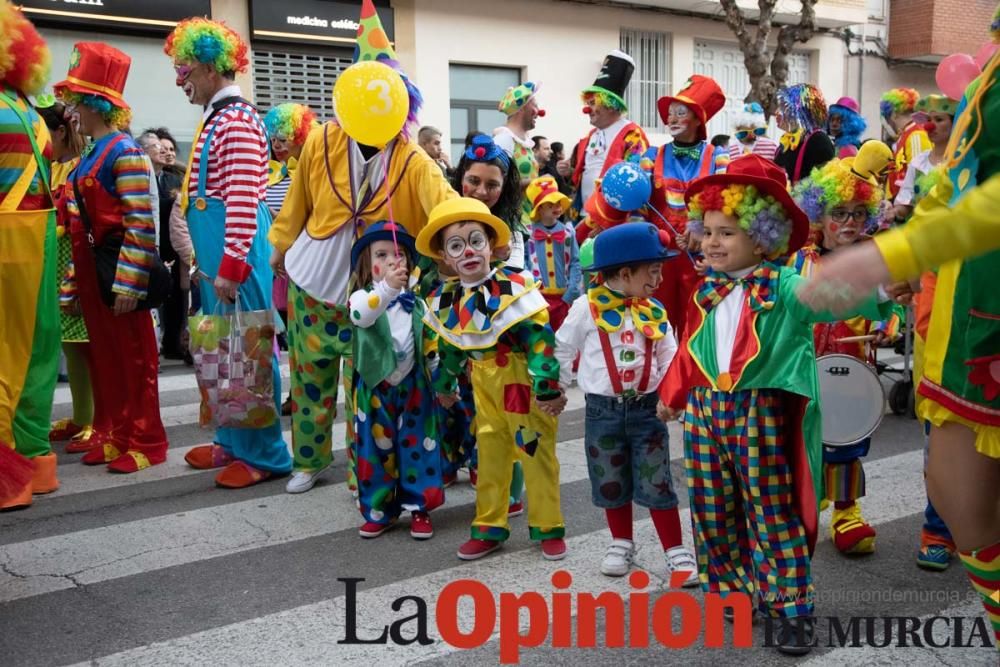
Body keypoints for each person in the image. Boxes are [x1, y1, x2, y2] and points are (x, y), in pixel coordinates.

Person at [799, 18, 1000, 642]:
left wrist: (893, 254)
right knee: (957, 487)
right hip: (969, 308)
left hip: (980, 309)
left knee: (961, 489)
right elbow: (965, 181)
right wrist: (910, 254)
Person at [658, 155, 893, 654]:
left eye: (728, 233)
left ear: (763, 236)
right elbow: (692, 350)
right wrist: (672, 394)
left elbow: (832, 297)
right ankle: (733, 592)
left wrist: (880, 288)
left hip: (761, 413)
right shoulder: (706, 291)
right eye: (709, 231)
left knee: (772, 512)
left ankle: (790, 607)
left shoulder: (785, 285)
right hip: (705, 414)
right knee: (712, 510)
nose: (712, 242)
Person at [268, 0, 456, 494]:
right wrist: (280, 248)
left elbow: (444, 205)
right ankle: (307, 461)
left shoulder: (412, 158)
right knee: (310, 381)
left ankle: (364, 469)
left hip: (374, 292)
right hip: (313, 282)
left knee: (368, 384)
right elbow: (297, 203)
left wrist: (466, 241)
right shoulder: (322, 141)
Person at [165, 18, 291, 488]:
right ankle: (233, 441)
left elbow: (240, 198)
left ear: (208, 65)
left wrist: (233, 266)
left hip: (234, 252)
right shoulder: (219, 117)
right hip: (217, 252)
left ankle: (265, 454)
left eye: (185, 70)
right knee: (224, 346)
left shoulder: (236, 120)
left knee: (249, 348)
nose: (181, 81)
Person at [419, 197, 567, 562]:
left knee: (535, 453)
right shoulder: (448, 299)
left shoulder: (514, 286)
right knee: (490, 457)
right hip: (482, 385)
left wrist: (545, 383)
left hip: (519, 381)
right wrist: (445, 383)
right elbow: (455, 345)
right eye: (456, 245)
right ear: (445, 257)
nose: (468, 251)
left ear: (490, 245)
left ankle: (548, 527)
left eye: (475, 240)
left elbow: (539, 338)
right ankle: (489, 527)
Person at [555, 222, 698, 585]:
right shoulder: (585, 308)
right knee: (610, 481)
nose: (660, 277)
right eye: (653, 270)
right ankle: (621, 542)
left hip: (647, 411)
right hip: (602, 412)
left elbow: (670, 356)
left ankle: (675, 550)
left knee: (658, 481)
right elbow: (562, 349)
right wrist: (554, 389)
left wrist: (672, 396)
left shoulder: (655, 310)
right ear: (624, 273)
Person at [55, 42, 169, 475]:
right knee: (107, 358)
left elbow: (141, 225)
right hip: (92, 270)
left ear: (95, 105)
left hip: (117, 268)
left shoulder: (125, 153)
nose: (71, 112)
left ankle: (147, 439)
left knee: (137, 360)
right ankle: (118, 432)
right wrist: (73, 282)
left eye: (77, 102)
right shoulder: (92, 154)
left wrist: (128, 282)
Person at [790, 142, 900, 556]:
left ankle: (846, 511)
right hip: (806, 371)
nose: (850, 222)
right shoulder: (801, 261)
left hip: (852, 369)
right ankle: (809, 502)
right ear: (820, 216)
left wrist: (886, 328)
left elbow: (891, 308)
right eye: (840, 213)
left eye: (858, 212)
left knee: (846, 443)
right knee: (807, 442)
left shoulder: (873, 258)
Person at [0, 3, 61, 509]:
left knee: (5, 351)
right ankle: (35, 462)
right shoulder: (30, 112)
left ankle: (7, 478)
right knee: (39, 349)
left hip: (8, 234)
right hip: (41, 230)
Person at [348, 222, 444, 539]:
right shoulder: (362, 298)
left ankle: (419, 507)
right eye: (382, 254)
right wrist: (386, 289)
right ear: (366, 263)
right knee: (375, 450)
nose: (392, 260)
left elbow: (430, 344)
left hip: (414, 385)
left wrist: (443, 380)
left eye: (399, 254)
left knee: (418, 446)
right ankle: (380, 509)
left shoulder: (416, 303)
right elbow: (362, 315)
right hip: (376, 386)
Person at [640, 75, 729, 337]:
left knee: (699, 327)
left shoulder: (718, 157)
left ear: (698, 119)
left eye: (681, 112)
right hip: (659, 256)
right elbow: (637, 210)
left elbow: (727, 204)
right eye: (670, 114)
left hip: (700, 258)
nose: (672, 119)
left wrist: (705, 234)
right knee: (658, 325)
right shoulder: (650, 156)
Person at [36, 98, 92, 453]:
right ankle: (81, 415)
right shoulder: (50, 166)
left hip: (76, 263)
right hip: (54, 266)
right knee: (70, 347)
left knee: (88, 346)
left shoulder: (80, 167)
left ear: (60, 131)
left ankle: (94, 419)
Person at [263, 102, 318, 414]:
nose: (277, 144)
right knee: (293, 336)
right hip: (279, 266)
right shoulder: (273, 174)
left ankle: (307, 393)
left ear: (301, 135)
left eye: (284, 137)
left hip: (305, 264)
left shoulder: (311, 173)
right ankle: (298, 392)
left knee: (306, 336)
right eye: (274, 138)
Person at [562, 50, 648, 242]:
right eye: (588, 103)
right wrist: (569, 171)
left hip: (612, 220)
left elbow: (633, 183)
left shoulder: (632, 135)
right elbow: (581, 174)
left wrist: (607, 218)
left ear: (610, 104)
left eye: (593, 103)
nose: (587, 109)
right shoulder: (590, 136)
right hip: (583, 216)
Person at [494, 81, 543, 267]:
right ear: (522, 108)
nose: (539, 110)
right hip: (511, 225)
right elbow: (496, 184)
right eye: (535, 104)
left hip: (526, 223)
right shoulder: (504, 139)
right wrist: (534, 182)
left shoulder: (525, 141)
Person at [525, 175, 580, 331]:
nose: (557, 207)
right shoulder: (529, 233)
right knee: (541, 339)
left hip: (563, 298)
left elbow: (576, 262)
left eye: (558, 203)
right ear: (540, 209)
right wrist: (530, 291)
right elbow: (523, 263)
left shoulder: (568, 232)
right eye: (550, 204)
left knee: (564, 338)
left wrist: (571, 292)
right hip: (537, 299)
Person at [774, 83, 836, 185]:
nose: (777, 112)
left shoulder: (819, 140)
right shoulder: (786, 142)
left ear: (801, 111)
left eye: (783, 107)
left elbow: (824, 185)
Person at [880, 87, 931, 199]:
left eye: (887, 118)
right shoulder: (906, 134)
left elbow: (919, 177)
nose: (888, 124)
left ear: (894, 114)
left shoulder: (916, 134)